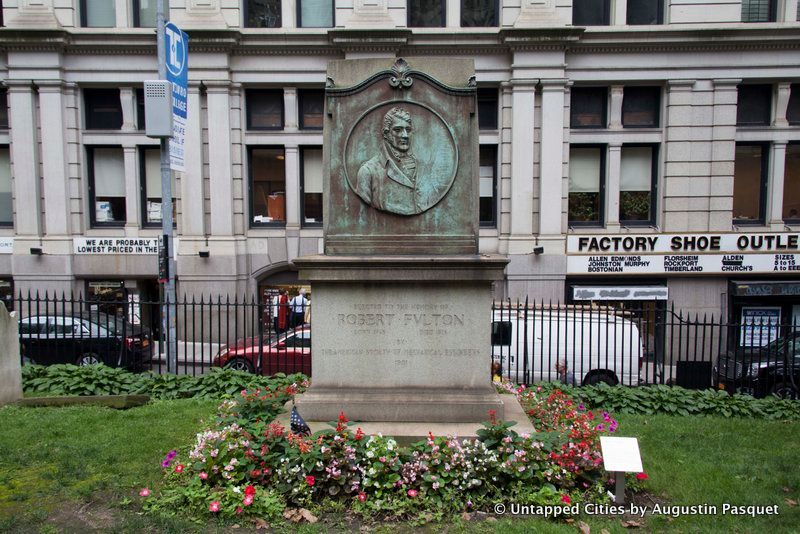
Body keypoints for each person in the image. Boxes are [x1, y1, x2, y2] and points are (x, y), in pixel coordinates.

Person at [356, 107, 423, 215]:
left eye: (408, 130)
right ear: (386, 134)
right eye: (398, 130)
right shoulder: (368, 171)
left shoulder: (421, 165)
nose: (405, 135)